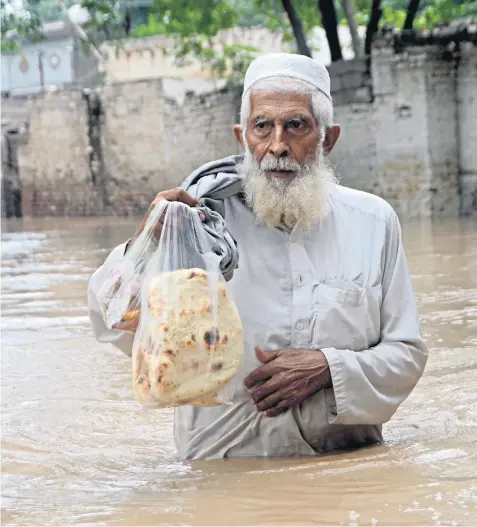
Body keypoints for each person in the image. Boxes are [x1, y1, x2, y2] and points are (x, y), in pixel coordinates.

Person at [88, 53, 428, 460]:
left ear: (328, 138)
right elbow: (112, 323)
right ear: (242, 137)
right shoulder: (199, 228)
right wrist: (143, 246)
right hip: (224, 475)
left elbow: (406, 355)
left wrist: (327, 368)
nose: (277, 146)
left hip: (345, 466)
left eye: (296, 126)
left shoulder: (373, 222)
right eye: (262, 126)